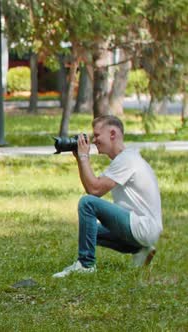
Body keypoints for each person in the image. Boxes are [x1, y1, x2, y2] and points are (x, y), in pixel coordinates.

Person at [53, 115, 162, 278]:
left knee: (87, 203)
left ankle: (86, 264)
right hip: (144, 229)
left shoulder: (127, 160)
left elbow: (94, 192)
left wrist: (84, 157)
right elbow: (93, 185)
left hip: (142, 226)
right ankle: (140, 249)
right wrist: (80, 159)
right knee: (90, 231)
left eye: (97, 135)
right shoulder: (126, 158)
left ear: (112, 134)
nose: (94, 141)